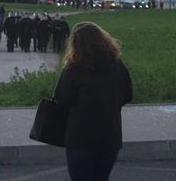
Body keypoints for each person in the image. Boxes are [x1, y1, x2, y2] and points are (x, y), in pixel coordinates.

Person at [54, 22, 133, 181]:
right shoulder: (117, 66)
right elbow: (128, 95)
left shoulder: (74, 70)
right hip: (110, 136)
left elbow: (62, 100)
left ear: (76, 44)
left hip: (81, 138)